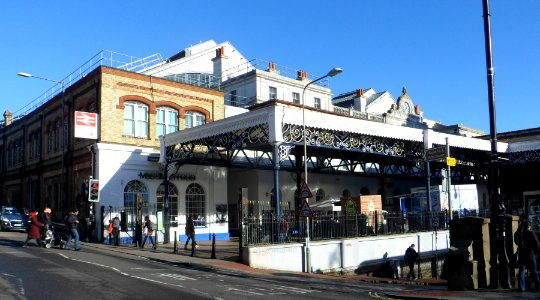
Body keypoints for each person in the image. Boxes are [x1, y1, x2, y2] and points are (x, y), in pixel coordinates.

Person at [514, 220, 540, 292]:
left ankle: (522, 287)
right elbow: (537, 244)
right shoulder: (530, 233)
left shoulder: (518, 234)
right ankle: (538, 285)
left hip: (522, 254)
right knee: (533, 271)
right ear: (529, 226)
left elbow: (516, 242)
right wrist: (536, 253)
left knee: (522, 271)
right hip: (531, 254)